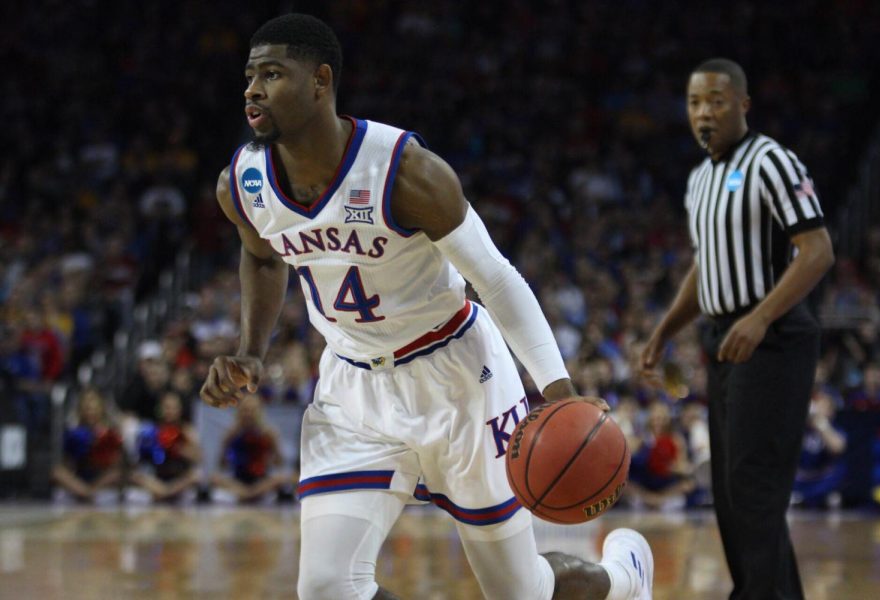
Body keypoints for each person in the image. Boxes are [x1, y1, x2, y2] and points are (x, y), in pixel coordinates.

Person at [200, 13, 652, 600]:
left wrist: (557, 388)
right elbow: (262, 259)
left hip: (459, 379)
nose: (252, 90)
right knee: (327, 587)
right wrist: (251, 352)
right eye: (250, 76)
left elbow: (495, 276)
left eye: (272, 74)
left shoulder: (406, 171)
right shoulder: (243, 182)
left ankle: (623, 581)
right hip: (352, 386)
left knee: (521, 593)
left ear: (321, 81)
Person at [641, 58, 835, 599]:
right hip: (724, 336)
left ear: (743, 105)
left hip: (773, 336)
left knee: (753, 484)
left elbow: (817, 251)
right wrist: (663, 330)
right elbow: (707, 267)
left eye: (717, 101)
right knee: (731, 489)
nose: (704, 112)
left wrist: (761, 316)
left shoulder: (773, 161)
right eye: (695, 102)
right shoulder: (700, 180)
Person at [209, 394, 295, 503]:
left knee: (281, 478)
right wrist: (225, 443)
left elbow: (279, 463)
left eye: (252, 410)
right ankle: (248, 494)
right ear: (239, 412)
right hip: (238, 480)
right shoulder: (231, 433)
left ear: (259, 412)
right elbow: (222, 465)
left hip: (261, 481)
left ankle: (249, 494)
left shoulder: (269, 433)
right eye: (245, 410)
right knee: (214, 478)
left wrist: (274, 446)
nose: (249, 414)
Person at [52, 387, 124, 502]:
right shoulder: (73, 433)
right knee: (57, 472)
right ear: (80, 410)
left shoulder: (111, 432)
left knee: (117, 474)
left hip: (103, 478)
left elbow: (117, 464)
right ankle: (87, 492)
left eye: (94, 408)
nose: (90, 411)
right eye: (87, 408)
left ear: (101, 408)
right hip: (81, 478)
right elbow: (68, 463)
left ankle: (89, 492)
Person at [132, 392, 202, 502]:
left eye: (174, 408)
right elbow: (140, 462)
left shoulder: (187, 431)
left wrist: (179, 449)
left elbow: (199, 458)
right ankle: (164, 492)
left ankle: (166, 493)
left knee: (197, 475)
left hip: (180, 481)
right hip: (157, 480)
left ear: (180, 410)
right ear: (160, 409)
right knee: (136, 476)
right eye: (167, 407)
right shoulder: (150, 431)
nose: (170, 411)